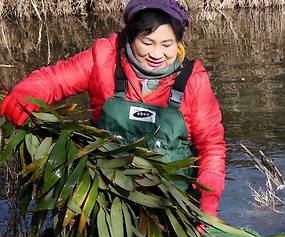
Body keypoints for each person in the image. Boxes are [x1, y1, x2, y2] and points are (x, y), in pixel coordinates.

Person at [0, 0, 226, 221]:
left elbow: (211, 147)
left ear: (177, 42)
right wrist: (25, 94)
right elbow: (52, 81)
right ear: (130, 35)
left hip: (171, 205)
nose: (157, 54)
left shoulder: (192, 79)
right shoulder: (105, 59)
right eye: (147, 42)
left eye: (167, 45)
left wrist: (207, 207)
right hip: (107, 203)